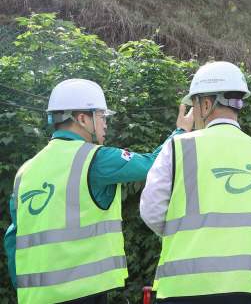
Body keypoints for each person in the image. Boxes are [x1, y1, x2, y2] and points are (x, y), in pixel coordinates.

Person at [4, 78, 194, 304]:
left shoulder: (25, 171)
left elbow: (13, 239)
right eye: (102, 117)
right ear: (82, 118)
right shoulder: (96, 158)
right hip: (80, 293)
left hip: (33, 297)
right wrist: (181, 130)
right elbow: (153, 163)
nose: (105, 124)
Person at [140, 61, 251, 304]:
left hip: (183, 289)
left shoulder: (178, 146)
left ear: (206, 104)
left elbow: (151, 212)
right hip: (245, 290)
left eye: (194, 105)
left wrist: (182, 234)